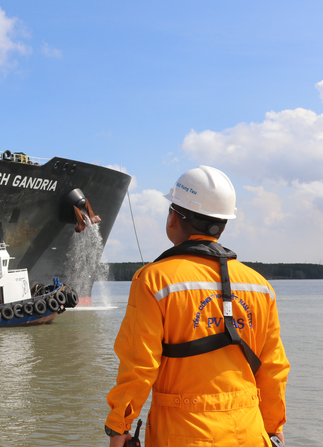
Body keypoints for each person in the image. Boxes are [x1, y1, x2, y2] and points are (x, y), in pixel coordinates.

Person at [105, 166, 289, 447]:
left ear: (173, 218)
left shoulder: (154, 280)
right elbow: (273, 368)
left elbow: (140, 365)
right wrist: (274, 427)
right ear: (223, 223)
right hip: (250, 433)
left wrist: (120, 427)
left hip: (181, 433)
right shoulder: (260, 286)